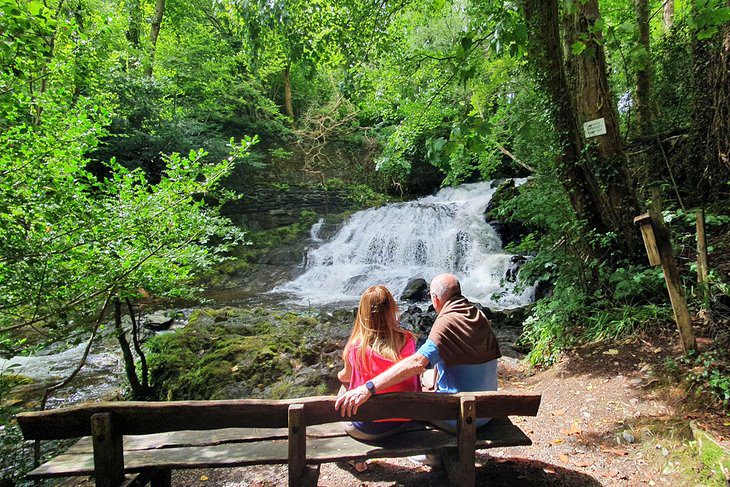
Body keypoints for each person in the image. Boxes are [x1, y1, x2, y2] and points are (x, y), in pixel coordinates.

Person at [334, 274, 501, 435]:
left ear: (435, 298)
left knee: (422, 384)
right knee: (427, 377)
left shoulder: (446, 323)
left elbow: (417, 363)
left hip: (461, 416)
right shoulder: (478, 315)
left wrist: (368, 388)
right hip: (488, 409)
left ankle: (427, 455)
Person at [336, 285, 421, 471]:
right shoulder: (408, 340)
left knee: (344, 385)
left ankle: (356, 458)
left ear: (363, 313)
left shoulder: (355, 347)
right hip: (405, 421)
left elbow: (346, 377)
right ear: (392, 309)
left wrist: (341, 376)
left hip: (368, 428)